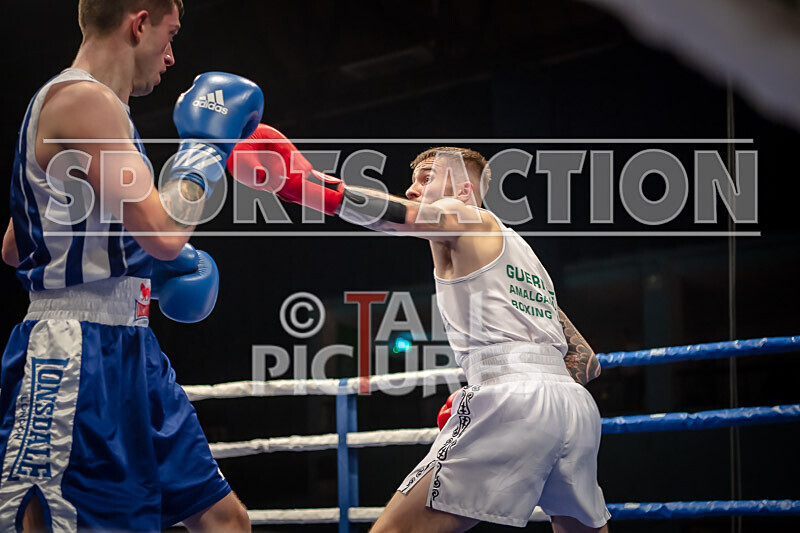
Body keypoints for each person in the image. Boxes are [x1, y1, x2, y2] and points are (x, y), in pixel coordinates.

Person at [228, 125, 610, 532]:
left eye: (426, 178)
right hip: (575, 410)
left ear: (463, 190)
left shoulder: (468, 217)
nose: (412, 190)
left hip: (513, 399)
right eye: (413, 181)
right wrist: (521, 386)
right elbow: (587, 361)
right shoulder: (525, 258)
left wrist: (309, 186)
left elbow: (402, 218)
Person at [0, 1, 263, 530]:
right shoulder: (83, 101)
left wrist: (131, 268)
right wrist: (204, 155)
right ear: (139, 24)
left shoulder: (97, 112)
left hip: (129, 345)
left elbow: (15, 244)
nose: (171, 55)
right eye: (170, 35)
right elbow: (165, 233)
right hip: (75, 353)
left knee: (226, 521)